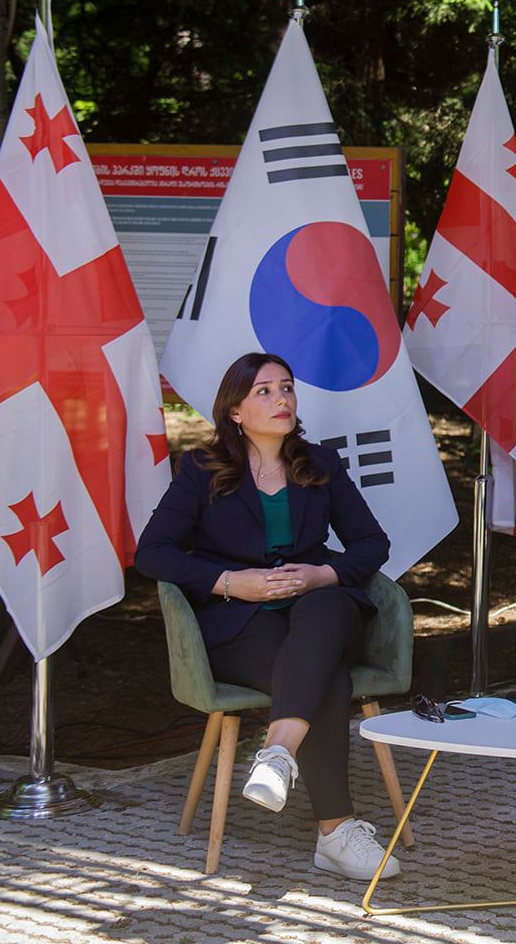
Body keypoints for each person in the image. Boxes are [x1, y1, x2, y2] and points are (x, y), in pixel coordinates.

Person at [135, 352, 400, 881]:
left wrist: (320, 575)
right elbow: (152, 553)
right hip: (239, 621)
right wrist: (231, 582)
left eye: (286, 388)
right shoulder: (202, 469)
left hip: (320, 614)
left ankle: (278, 753)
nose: (281, 399)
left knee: (326, 608)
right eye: (264, 391)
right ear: (234, 411)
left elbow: (372, 543)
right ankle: (335, 834)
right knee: (324, 676)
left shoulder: (320, 464)